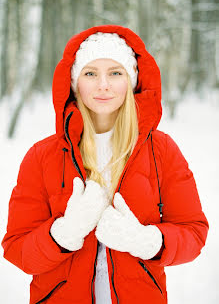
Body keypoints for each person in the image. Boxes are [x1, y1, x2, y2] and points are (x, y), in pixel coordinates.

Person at [1, 25, 209, 304]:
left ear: (132, 80)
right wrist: (62, 233)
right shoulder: (42, 156)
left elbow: (193, 232)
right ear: (75, 83)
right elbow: (17, 249)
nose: (103, 85)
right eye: (90, 74)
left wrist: (148, 241)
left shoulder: (162, 150)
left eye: (115, 73)